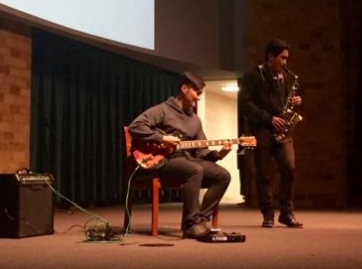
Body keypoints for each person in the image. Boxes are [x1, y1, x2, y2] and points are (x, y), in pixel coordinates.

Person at [128, 71, 233, 238]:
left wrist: (220, 154)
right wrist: (162, 138)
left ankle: (201, 219)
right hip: (164, 162)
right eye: (197, 93)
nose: (199, 98)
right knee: (194, 170)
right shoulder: (162, 110)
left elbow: (201, 151)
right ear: (184, 88)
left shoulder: (195, 120)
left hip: (189, 161)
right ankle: (190, 224)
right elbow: (135, 126)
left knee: (222, 175)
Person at [239, 39, 304, 228]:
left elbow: (282, 102)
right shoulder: (252, 75)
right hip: (261, 129)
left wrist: (292, 103)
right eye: (282, 58)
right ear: (270, 56)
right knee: (263, 173)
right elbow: (246, 104)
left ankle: (286, 213)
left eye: (286, 59)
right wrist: (269, 118)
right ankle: (268, 214)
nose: (285, 63)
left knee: (289, 168)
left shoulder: (283, 77)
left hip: (282, 129)